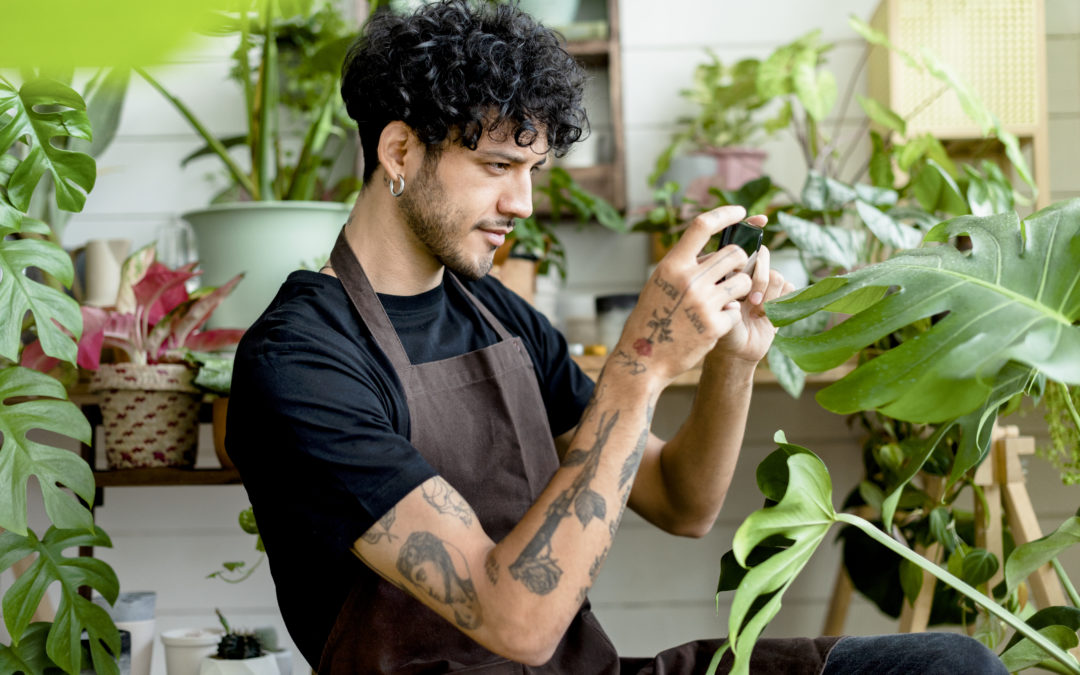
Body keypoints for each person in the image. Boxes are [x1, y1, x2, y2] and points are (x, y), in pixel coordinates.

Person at [225, 2, 1009, 673]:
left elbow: (683, 502)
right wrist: (638, 363)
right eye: (498, 164)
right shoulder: (301, 358)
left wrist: (733, 359)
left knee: (952, 664)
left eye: (533, 168)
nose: (523, 202)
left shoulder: (499, 315)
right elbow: (516, 623)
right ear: (399, 151)